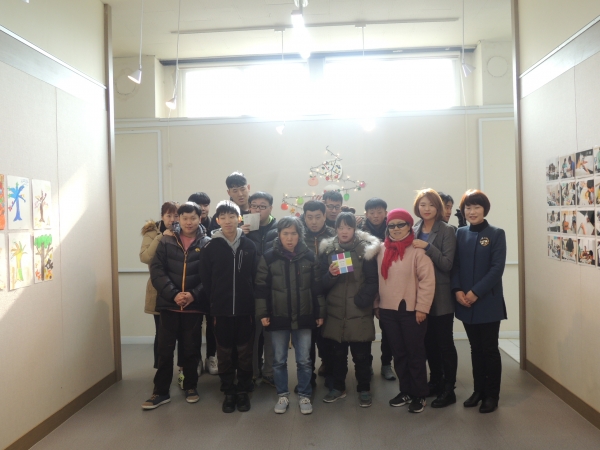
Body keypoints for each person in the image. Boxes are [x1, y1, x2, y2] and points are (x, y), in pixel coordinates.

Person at [142, 202, 211, 410]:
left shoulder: (207, 243)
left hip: (194, 305)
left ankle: (190, 386)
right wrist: (174, 294)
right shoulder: (166, 240)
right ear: (178, 219)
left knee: (191, 348)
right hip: (169, 304)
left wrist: (192, 295)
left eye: (193, 218)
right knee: (164, 350)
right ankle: (160, 391)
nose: (189, 222)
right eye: (185, 218)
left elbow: (210, 276)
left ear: (200, 218)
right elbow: (157, 270)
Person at [255, 216, 326, 415]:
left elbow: (317, 288)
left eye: (293, 233)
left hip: (305, 316)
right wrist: (263, 313)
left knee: (304, 360)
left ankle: (304, 394)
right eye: (285, 233)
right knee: (279, 360)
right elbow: (261, 288)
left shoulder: (309, 257)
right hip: (278, 316)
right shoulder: (269, 257)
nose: (289, 238)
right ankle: (282, 395)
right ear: (278, 235)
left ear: (299, 235)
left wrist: (319, 312)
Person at [199, 200, 258, 413]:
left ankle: (243, 390)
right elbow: (206, 280)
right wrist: (214, 303)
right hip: (221, 311)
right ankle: (228, 391)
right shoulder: (210, 247)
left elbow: (255, 277)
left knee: (244, 352)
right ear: (217, 220)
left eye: (232, 216)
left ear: (239, 219)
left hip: (245, 310)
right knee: (224, 353)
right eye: (223, 217)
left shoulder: (249, 246)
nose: (228, 221)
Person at [376, 208, 435, 414]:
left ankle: (420, 393)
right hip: (387, 310)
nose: (396, 229)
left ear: (409, 226)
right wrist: (376, 304)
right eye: (392, 225)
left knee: (415, 353)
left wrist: (422, 308)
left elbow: (427, 282)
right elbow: (376, 279)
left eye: (401, 224)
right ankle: (406, 390)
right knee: (398, 353)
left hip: (411, 310)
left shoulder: (417, 250)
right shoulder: (381, 250)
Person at [452, 189, 507, 414]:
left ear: (485, 209)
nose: (472, 211)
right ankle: (478, 391)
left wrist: (475, 292)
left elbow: (497, 268)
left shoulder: (496, 233)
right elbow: (455, 265)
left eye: (476, 207)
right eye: (468, 207)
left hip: (487, 302)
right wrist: (457, 290)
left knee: (489, 349)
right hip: (464, 301)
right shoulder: (460, 233)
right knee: (475, 349)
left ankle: (492, 395)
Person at [319, 212, 380, 408]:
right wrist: (330, 275)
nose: (344, 231)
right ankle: (338, 387)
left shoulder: (365, 250)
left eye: (348, 227)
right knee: (337, 355)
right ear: (335, 228)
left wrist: (361, 301)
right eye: (341, 227)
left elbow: (373, 281)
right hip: (335, 311)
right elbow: (321, 283)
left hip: (358, 310)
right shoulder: (328, 249)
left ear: (355, 229)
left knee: (361, 355)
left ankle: (364, 389)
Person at [411, 189, 458, 408]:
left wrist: (428, 247)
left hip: (441, 295)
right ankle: (436, 381)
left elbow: (447, 264)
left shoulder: (447, 230)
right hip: (420, 295)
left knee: (445, 344)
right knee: (428, 342)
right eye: (422, 205)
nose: (427, 209)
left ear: (438, 207)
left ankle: (449, 389)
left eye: (431, 204)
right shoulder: (414, 229)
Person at [243, 191, 278, 387]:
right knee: (252, 335)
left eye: (262, 206)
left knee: (270, 334)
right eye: (254, 206)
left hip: (273, 290)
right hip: (251, 290)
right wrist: (241, 235)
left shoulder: (280, 228)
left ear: (270, 208)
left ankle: (269, 372)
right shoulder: (244, 229)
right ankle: (253, 371)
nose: (258, 210)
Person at [139, 201, 179, 370]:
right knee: (162, 332)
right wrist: (162, 236)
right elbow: (145, 257)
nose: (172, 219)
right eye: (168, 215)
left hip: (180, 288)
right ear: (162, 216)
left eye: (176, 215)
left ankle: (184, 368)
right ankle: (160, 369)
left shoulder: (184, 231)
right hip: (158, 288)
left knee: (183, 333)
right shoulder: (152, 232)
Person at [360, 197, 395, 382]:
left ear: (385, 213)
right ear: (366, 214)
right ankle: (367, 364)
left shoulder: (393, 230)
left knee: (388, 330)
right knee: (365, 328)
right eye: (372, 212)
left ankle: (386, 364)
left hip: (387, 285)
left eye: (379, 212)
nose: (375, 215)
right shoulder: (359, 232)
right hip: (365, 285)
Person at [302, 200, 336, 381]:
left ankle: (329, 368)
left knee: (327, 337)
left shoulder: (334, 236)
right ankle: (308, 377)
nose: (313, 222)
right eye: (309, 217)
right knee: (307, 339)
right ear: (304, 217)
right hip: (305, 295)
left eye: (317, 217)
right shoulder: (298, 235)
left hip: (329, 292)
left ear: (324, 216)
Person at [186, 192, 218, 375]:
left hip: (211, 285)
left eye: (206, 204)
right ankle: (196, 359)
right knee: (194, 326)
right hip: (192, 286)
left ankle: (211, 357)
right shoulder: (185, 228)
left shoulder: (216, 224)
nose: (203, 208)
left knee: (213, 324)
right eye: (199, 205)